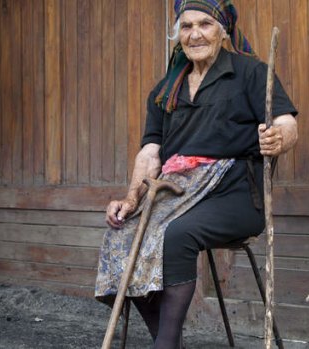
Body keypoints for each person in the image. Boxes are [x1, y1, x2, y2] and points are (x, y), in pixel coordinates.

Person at [94, 0, 298, 348]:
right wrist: (130, 199)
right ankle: (165, 333)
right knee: (121, 234)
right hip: (176, 193)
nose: (195, 34)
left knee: (177, 234)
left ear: (222, 31)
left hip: (234, 194)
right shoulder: (165, 90)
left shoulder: (250, 73)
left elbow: (286, 121)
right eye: (186, 26)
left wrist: (278, 138)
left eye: (204, 24)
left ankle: (166, 344)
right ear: (178, 34)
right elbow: (151, 151)